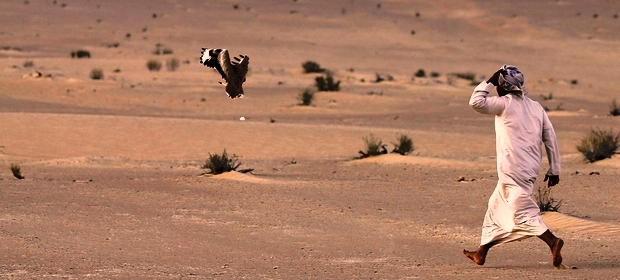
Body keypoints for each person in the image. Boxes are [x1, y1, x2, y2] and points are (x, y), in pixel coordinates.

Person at [463, 65, 564, 268]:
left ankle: (552, 241)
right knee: (495, 206)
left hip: (512, 167)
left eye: (499, 84)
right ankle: (481, 253)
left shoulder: (504, 104)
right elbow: (550, 137)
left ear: (502, 86)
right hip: (530, 167)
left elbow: (476, 102)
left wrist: (490, 80)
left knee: (521, 210)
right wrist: (554, 169)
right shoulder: (536, 107)